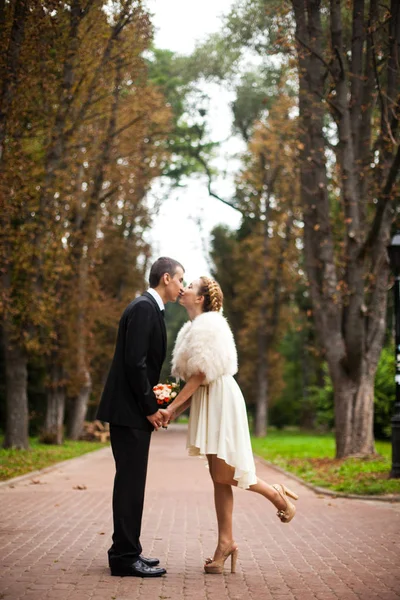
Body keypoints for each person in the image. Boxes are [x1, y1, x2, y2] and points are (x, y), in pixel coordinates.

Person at [160, 276, 298, 575]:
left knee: (224, 471)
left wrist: (171, 409)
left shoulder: (210, 325)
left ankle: (274, 493)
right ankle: (226, 543)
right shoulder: (192, 328)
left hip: (221, 399)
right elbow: (193, 381)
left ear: (200, 299)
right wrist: (171, 411)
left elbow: (199, 376)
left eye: (191, 286)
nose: (184, 288)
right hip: (208, 399)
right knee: (218, 477)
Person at [97, 257, 184, 578]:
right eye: (179, 280)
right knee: (130, 485)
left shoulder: (147, 307)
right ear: (165, 278)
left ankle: (127, 550)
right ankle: (123, 556)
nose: (181, 286)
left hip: (130, 410)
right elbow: (135, 364)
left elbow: (140, 365)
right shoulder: (145, 308)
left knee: (131, 483)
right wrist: (150, 407)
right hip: (129, 412)